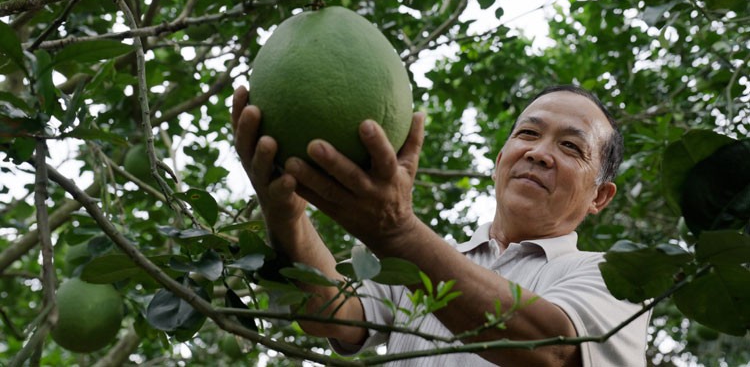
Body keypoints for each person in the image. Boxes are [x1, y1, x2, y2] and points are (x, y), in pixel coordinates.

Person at [231, 85, 651, 366]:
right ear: (499, 160)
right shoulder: (415, 266)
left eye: (570, 146)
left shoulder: (616, 278)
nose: (539, 153)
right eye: (527, 133)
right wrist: (285, 213)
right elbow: (331, 313)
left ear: (600, 196)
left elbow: (554, 348)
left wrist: (397, 232)